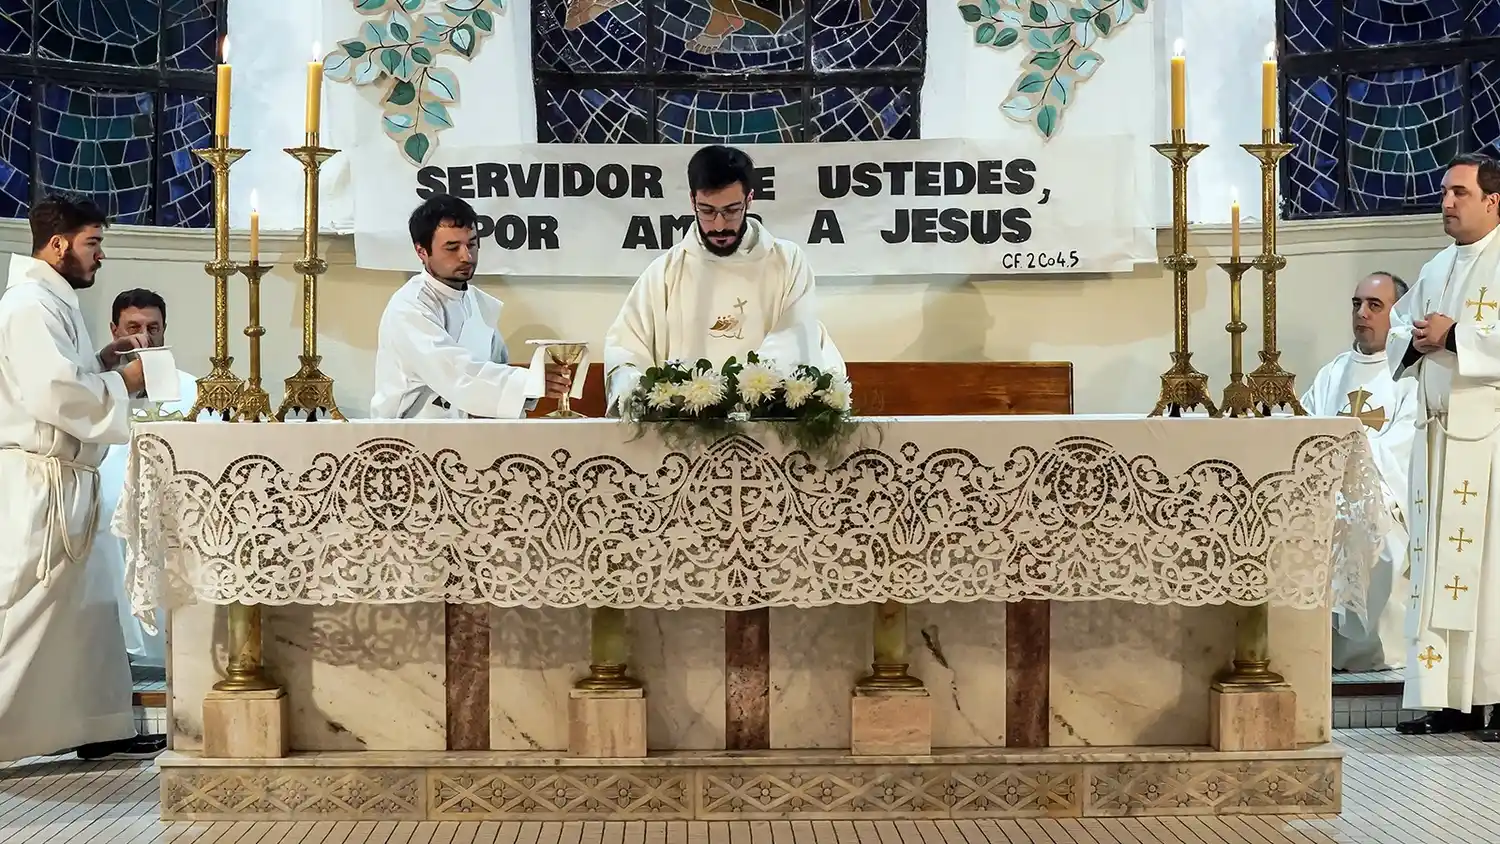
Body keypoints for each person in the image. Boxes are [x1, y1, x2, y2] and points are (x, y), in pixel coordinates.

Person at [0, 195, 165, 760]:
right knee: (25, 612)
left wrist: (100, 363)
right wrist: (129, 382)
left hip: (68, 478)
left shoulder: (52, 298)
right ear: (57, 244)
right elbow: (52, 395)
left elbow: (62, 376)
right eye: (93, 242)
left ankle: (98, 725)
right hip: (41, 481)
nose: (101, 255)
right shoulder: (28, 304)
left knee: (86, 615)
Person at [603, 144, 845, 413]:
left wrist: (743, 403)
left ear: (749, 199)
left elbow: (794, 340)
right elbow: (626, 347)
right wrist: (640, 391)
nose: (719, 225)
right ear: (692, 201)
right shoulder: (665, 272)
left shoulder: (786, 262)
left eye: (731, 210)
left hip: (767, 429)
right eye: (707, 211)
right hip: (682, 432)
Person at [1390, 153, 1500, 739]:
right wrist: (1416, 341)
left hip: (1491, 443)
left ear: (1493, 201)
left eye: (1459, 192)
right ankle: (1447, 699)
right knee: (1438, 574)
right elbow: (1400, 339)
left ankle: (1498, 699)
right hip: (1437, 439)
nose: (1447, 202)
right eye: (1443, 193)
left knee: (1491, 574)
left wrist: (1454, 335)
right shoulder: (1435, 266)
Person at [1300, 271, 1418, 672]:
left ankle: (1369, 652)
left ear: (1397, 315)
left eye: (1374, 305)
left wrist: (1353, 469)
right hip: (1328, 487)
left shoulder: (1409, 376)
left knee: (1369, 525)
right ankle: (1312, 649)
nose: (1362, 314)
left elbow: (1405, 446)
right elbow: (1307, 430)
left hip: (1383, 492)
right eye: (1357, 304)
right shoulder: (1332, 372)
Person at [371, 194, 570, 419]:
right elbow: (453, 372)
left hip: (472, 434)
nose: (467, 256)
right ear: (421, 251)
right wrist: (528, 381)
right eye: (452, 247)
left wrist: (534, 385)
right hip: (412, 437)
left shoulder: (479, 303)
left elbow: (494, 368)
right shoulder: (409, 307)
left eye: (472, 244)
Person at [91, 289, 198, 670]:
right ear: (114, 330)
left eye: (153, 328)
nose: (144, 337)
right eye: (133, 327)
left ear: (165, 331)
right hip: (106, 512)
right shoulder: (96, 389)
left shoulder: (192, 390)